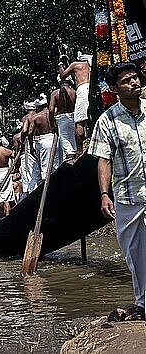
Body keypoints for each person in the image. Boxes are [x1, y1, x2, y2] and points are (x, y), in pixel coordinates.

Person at [88, 62, 146, 320]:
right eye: (126, 81)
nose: (134, 83)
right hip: (129, 197)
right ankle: (143, 302)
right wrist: (103, 194)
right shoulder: (107, 120)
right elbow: (104, 159)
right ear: (115, 89)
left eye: (135, 78)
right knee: (135, 254)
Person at [59, 52, 91, 156]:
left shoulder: (76, 65)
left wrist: (60, 64)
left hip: (83, 89)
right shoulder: (90, 64)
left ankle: (80, 151)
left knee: (79, 122)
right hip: (93, 89)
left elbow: (63, 76)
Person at [28, 95, 59, 191]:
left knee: (45, 169)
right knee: (55, 165)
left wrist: (31, 146)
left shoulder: (36, 117)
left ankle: (48, 190)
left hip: (44, 141)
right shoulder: (54, 113)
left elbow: (29, 132)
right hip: (55, 139)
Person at [49, 76, 77, 161]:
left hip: (63, 119)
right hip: (74, 117)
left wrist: (52, 124)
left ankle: (70, 167)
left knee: (67, 148)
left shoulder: (55, 93)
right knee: (73, 144)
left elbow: (51, 110)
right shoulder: (74, 92)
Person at [20, 100, 37, 199]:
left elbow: (25, 130)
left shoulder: (27, 118)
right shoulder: (39, 114)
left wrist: (22, 141)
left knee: (30, 168)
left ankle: (33, 192)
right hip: (40, 140)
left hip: (31, 142)